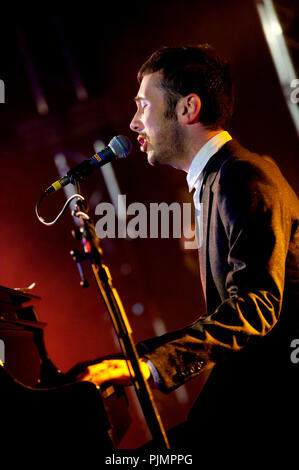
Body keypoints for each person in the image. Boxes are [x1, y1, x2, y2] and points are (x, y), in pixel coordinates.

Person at [80, 45, 299, 456]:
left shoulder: (243, 176)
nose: (132, 122)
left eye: (143, 105)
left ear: (187, 108)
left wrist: (147, 366)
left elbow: (256, 306)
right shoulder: (218, 181)